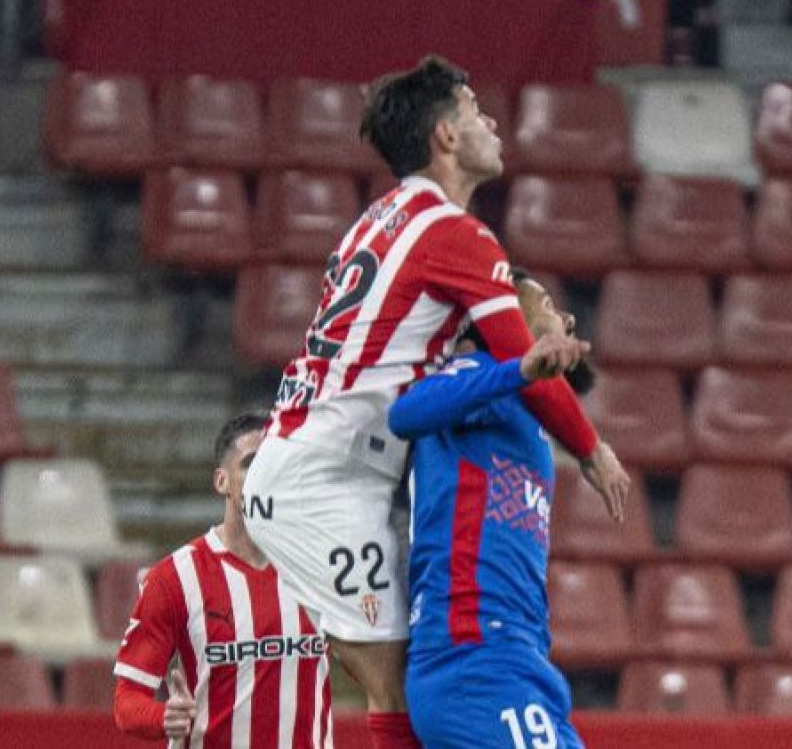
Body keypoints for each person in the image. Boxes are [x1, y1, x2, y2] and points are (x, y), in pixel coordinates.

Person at [241, 56, 630, 748]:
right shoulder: (457, 234)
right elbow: (522, 362)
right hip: (330, 476)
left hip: (309, 459)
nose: (490, 122)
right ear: (446, 136)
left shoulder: (379, 221)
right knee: (396, 678)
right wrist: (594, 451)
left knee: (398, 674)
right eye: (476, 110)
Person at [388, 275, 597, 748]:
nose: (565, 318)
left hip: (520, 657)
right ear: (498, 315)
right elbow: (406, 415)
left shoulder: (530, 418)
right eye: (544, 301)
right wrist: (517, 370)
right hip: (472, 654)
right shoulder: (480, 373)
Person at [113, 412, 332, 746]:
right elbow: (126, 702)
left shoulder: (320, 567)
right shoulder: (174, 578)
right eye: (251, 464)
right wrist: (164, 717)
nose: (265, 476)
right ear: (221, 481)